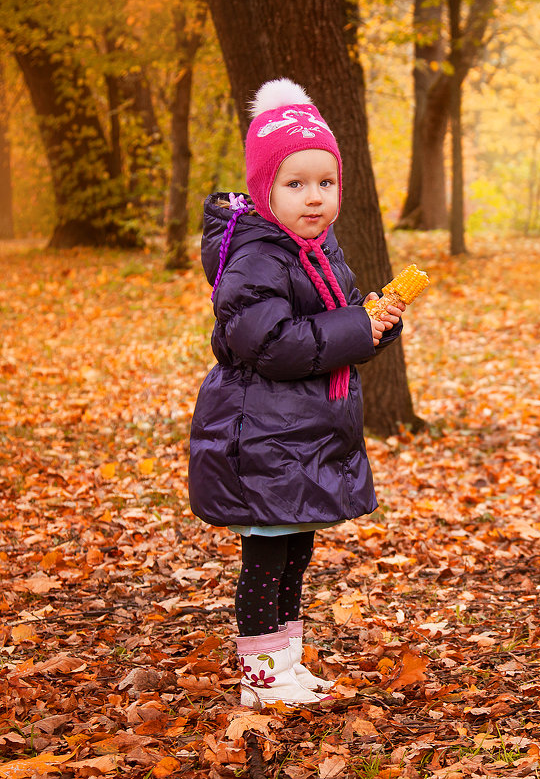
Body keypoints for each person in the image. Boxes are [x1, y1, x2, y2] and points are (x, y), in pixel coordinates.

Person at [188, 78, 405, 708]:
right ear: (265, 190)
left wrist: (374, 325)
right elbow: (274, 344)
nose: (314, 198)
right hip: (263, 430)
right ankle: (262, 675)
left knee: (295, 547)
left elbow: (333, 329)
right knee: (268, 552)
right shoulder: (256, 258)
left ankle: (285, 660)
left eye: (325, 183)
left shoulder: (318, 248)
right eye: (296, 184)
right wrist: (351, 328)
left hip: (301, 429)